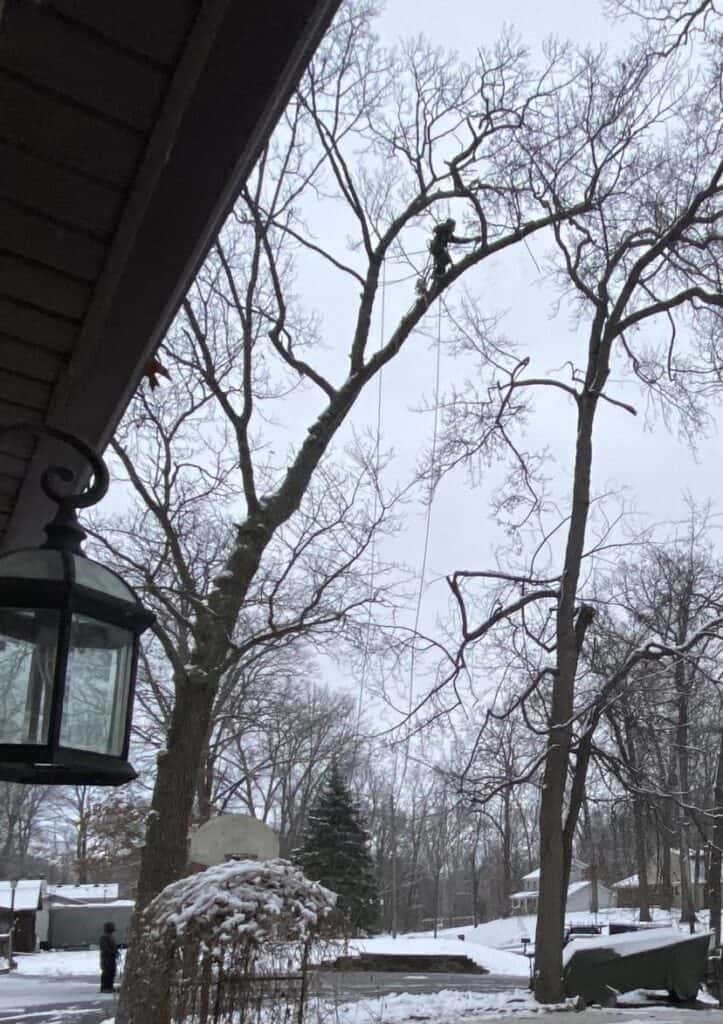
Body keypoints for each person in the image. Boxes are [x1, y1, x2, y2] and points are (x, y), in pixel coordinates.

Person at [99, 921, 118, 993]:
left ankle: (110, 987)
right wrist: (112, 952)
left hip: (111, 958)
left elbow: (113, 946)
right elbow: (105, 948)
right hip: (106, 958)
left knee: (112, 972)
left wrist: (116, 950)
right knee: (107, 972)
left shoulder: (110, 936)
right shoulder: (104, 937)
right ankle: (105, 988)